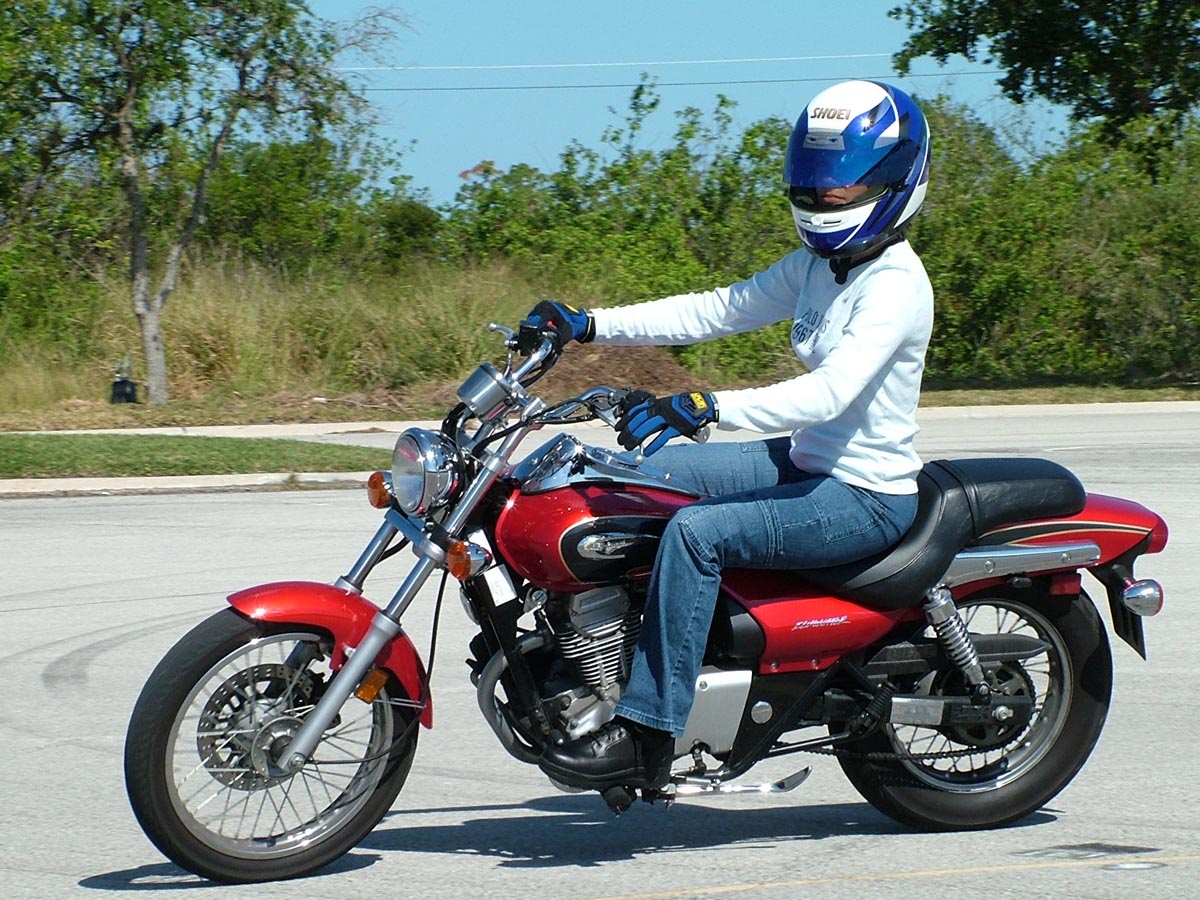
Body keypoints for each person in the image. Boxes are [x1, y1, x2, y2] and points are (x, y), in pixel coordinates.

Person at [525, 80, 934, 792]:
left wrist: (705, 405)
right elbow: (718, 309)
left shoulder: (894, 285)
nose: (824, 198)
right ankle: (588, 656)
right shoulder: (820, 266)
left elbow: (829, 392)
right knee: (625, 475)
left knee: (698, 534)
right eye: (814, 184)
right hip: (806, 461)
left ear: (894, 181)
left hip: (865, 495)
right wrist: (589, 324)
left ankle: (650, 730)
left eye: (840, 186)